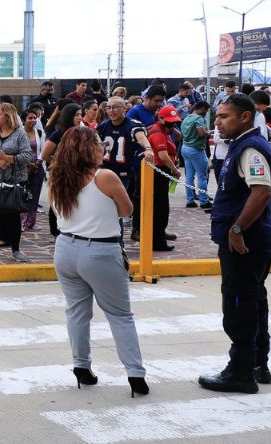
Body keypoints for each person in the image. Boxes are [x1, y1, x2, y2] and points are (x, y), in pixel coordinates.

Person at [49, 126, 148, 397]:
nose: (102, 148)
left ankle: (81, 366)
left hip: (65, 248)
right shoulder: (104, 176)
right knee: (120, 315)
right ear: (90, 148)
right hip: (100, 250)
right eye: (98, 144)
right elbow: (126, 210)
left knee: (77, 311)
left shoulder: (56, 176)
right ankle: (135, 374)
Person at [198, 95, 271, 394]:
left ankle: (240, 372)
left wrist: (238, 228)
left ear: (244, 117)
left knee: (239, 301)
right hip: (249, 239)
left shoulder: (251, 148)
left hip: (245, 242)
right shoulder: (240, 145)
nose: (217, 121)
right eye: (216, 116)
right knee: (253, 298)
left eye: (224, 116)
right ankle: (256, 364)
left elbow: (262, 191)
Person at [97, 97, 155, 239]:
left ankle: (117, 242)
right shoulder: (103, 126)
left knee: (116, 210)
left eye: (115, 107)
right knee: (102, 208)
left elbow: (140, 136)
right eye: (109, 108)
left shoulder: (132, 125)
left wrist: (148, 148)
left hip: (121, 174)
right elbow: (93, 141)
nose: (112, 111)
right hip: (103, 172)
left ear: (124, 109)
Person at [0, 103, 33, 262]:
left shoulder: (20, 134)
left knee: (12, 215)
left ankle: (15, 249)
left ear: (8, 116)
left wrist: (7, 158)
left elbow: (27, 156)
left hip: (13, 182)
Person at [145, 106, 183, 251]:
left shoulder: (163, 130)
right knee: (160, 209)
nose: (172, 124)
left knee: (161, 207)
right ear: (160, 118)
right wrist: (174, 170)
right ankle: (158, 241)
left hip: (161, 171)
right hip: (159, 171)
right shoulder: (158, 132)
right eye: (169, 121)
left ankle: (159, 236)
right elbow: (162, 155)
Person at [181, 101, 212, 209]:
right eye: (206, 110)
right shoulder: (198, 119)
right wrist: (209, 133)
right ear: (202, 108)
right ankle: (204, 201)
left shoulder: (187, 118)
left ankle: (190, 200)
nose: (206, 113)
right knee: (202, 176)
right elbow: (202, 133)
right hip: (196, 149)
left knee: (189, 176)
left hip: (185, 148)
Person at [21, 109, 46, 231]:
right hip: (22, 168)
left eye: (35, 118)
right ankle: (22, 221)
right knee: (23, 195)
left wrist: (37, 163)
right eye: (30, 118)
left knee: (35, 195)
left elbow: (44, 150)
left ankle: (31, 222)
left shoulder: (40, 133)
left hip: (37, 167)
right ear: (23, 120)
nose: (33, 120)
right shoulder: (19, 133)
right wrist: (27, 164)